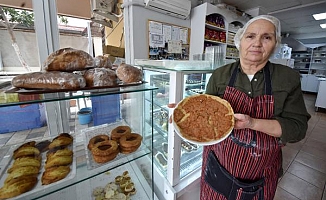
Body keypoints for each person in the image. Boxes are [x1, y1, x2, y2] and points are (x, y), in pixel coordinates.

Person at [199, 15, 311, 200]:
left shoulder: (288, 78)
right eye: (250, 36)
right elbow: (206, 115)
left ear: (275, 44)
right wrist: (184, 113)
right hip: (218, 162)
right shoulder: (220, 75)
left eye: (267, 37)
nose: (257, 43)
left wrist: (252, 123)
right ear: (240, 41)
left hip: (261, 169)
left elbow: (297, 129)